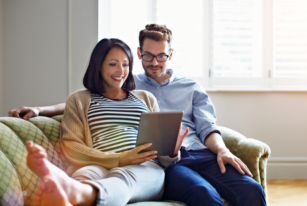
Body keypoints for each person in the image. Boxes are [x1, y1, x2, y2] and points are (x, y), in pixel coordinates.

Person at [10, 24, 266, 206]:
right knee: (201, 193)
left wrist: (219, 150)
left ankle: (76, 193)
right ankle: (68, 189)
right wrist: (39, 110)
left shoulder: (169, 91)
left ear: (170, 54)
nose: (154, 62)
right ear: (139, 53)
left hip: (178, 156)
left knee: (251, 191)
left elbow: (206, 127)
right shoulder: (112, 89)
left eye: (161, 56)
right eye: (147, 56)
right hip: (140, 161)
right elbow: (80, 102)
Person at [25, 38, 188, 206]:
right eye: (113, 64)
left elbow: (162, 158)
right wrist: (119, 158)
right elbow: (71, 146)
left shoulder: (146, 98)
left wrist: (172, 152)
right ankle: (69, 195)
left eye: (125, 65)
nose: (120, 71)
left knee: (123, 178)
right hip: (98, 164)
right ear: (98, 66)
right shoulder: (79, 100)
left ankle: (74, 192)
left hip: (143, 167)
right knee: (84, 175)